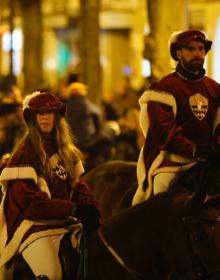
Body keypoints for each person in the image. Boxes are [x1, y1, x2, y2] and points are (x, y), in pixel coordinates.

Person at [0, 91, 100, 280]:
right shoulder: (23, 154)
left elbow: (79, 186)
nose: (45, 117)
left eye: (49, 112)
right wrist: (73, 208)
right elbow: (31, 206)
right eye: (40, 113)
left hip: (65, 222)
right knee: (53, 274)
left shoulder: (67, 153)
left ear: (57, 117)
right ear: (33, 119)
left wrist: (90, 207)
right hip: (31, 226)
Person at [132, 29, 220, 205]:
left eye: (201, 49)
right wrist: (195, 150)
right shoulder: (163, 88)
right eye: (191, 49)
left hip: (209, 159)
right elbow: (163, 132)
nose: (198, 53)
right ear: (178, 53)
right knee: (161, 193)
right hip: (172, 161)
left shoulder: (215, 89)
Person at [64, 82, 116, 172]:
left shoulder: (63, 109)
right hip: (89, 146)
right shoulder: (92, 107)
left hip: (71, 146)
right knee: (110, 131)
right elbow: (99, 128)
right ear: (83, 92)